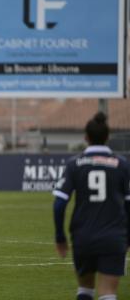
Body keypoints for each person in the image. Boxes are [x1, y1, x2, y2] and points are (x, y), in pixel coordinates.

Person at [52, 112, 130, 300]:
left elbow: (59, 204)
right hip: (113, 237)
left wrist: (60, 237)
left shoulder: (74, 164)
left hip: (83, 236)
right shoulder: (122, 164)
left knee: (85, 289)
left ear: (86, 137)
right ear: (108, 137)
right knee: (108, 293)